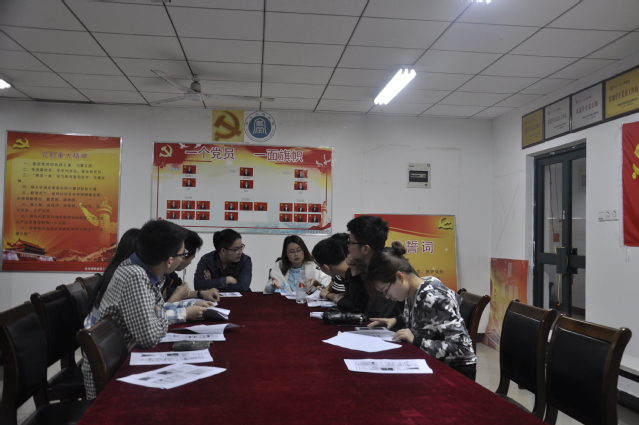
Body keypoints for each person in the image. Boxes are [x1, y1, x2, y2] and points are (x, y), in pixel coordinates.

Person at [81, 220, 208, 400]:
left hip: (120, 360)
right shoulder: (135, 276)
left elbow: (155, 315)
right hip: (111, 375)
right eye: (182, 254)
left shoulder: (142, 270)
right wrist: (158, 313)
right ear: (169, 260)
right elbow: (148, 338)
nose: (183, 259)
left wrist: (156, 314)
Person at [366, 241, 477, 380]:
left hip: (454, 370)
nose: (387, 297)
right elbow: (425, 319)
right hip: (431, 361)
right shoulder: (413, 289)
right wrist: (396, 320)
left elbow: (462, 348)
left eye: (385, 291)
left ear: (400, 277)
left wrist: (416, 341)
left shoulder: (434, 298)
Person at [346, 215, 401, 318]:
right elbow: (359, 305)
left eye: (351, 242)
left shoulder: (386, 267)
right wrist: (355, 271)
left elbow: (374, 314)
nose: (348, 246)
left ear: (365, 249)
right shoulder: (368, 263)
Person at [163, 230, 220, 303]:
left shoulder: (170, 275)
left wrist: (200, 293)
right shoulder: (155, 278)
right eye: (191, 259)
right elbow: (158, 309)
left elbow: (177, 293)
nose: (190, 262)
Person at [264, 235, 330, 294]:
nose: (296, 254)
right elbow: (268, 290)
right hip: (284, 302)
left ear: (304, 250)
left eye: (299, 250)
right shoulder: (280, 267)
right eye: (292, 251)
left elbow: (327, 286)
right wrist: (272, 286)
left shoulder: (314, 267)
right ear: (286, 254)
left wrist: (319, 285)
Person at [311, 233, 357, 310]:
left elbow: (354, 305)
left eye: (319, 267)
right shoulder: (346, 273)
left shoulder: (355, 273)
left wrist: (330, 295)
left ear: (326, 267)